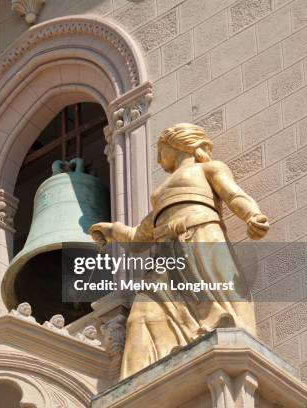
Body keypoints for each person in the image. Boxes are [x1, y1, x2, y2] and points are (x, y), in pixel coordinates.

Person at [89, 123, 269, 378]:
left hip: (199, 240)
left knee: (218, 305)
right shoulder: (160, 195)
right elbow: (138, 238)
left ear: (177, 144)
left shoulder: (208, 168)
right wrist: (112, 230)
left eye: (161, 150)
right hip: (164, 257)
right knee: (139, 316)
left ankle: (226, 344)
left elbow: (234, 195)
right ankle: (138, 386)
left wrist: (253, 215)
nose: (159, 158)